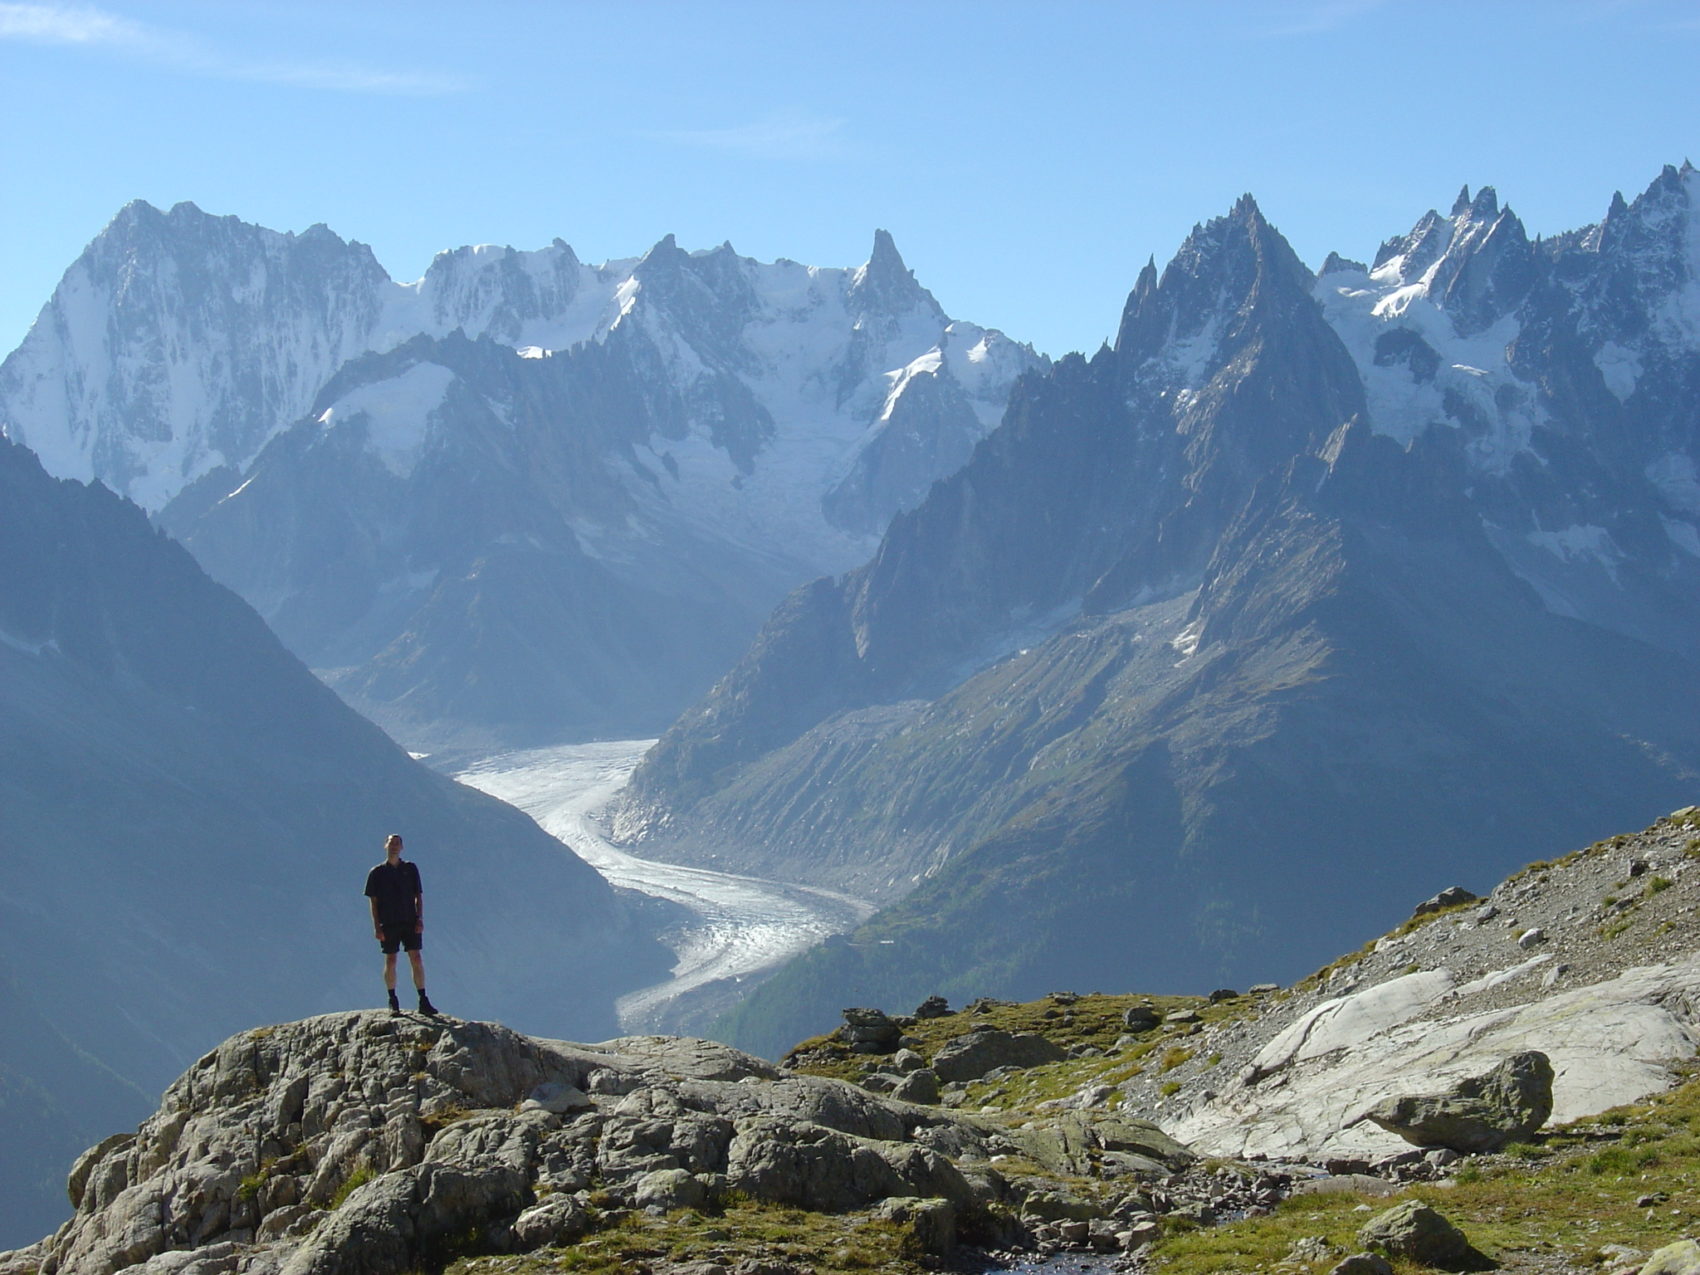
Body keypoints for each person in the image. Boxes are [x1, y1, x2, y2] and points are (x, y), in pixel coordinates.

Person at [363, 833, 439, 1016]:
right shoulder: (377, 873)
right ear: (385, 846)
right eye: (391, 843)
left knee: (416, 958)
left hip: (410, 920)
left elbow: (418, 896)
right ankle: (392, 999)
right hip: (388, 922)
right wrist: (377, 926)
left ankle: (423, 999)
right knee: (391, 959)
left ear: (402, 847)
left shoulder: (410, 869)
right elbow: (373, 902)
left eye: (397, 843)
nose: (394, 846)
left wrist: (420, 918)